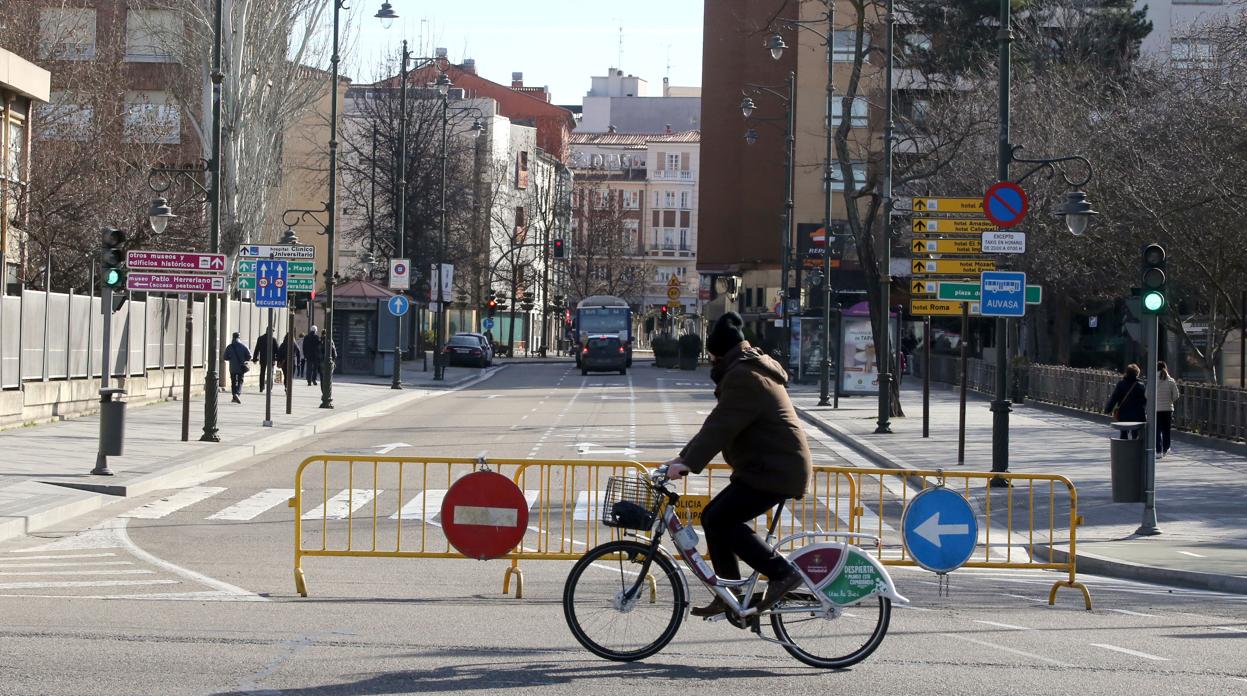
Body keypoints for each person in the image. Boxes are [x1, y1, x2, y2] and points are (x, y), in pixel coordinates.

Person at [664, 312, 813, 617]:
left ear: (717, 352)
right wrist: (683, 459)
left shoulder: (745, 376)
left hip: (775, 470)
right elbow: (717, 424)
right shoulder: (746, 369)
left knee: (721, 520)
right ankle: (729, 593)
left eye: (711, 355)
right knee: (714, 517)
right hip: (766, 467)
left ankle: (782, 573)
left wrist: (688, 463)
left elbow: (721, 426)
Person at [1104, 363, 1147, 438]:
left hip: (1123, 414)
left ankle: (1123, 448)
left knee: (1123, 433)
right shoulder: (1141, 386)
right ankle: (1135, 447)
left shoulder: (1121, 384)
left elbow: (1114, 398)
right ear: (1137, 374)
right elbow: (1144, 400)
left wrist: (1108, 409)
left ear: (1126, 373)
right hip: (1137, 415)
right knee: (1135, 434)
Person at [1156, 361, 1180, 456]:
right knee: (1166, 429)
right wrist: (1170, 401)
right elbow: (1176, 395)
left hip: (1156, 409)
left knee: (1157, 430)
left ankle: (1158, 450)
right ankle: (1166, 448)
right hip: (1168, 409)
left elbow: (1147, 394)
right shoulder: (1171, 380)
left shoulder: (1153, 379)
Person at [222, 332, 251, 403]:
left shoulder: (229, 347)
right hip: (241, 367)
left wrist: (231, 358)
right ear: (239, 337)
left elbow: (225, 357)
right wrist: (244, 359)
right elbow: (249, 356)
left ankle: (234, 395)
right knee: (240, 381)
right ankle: (237, 393)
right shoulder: (243, 346)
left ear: (233, 337)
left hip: (232, 367)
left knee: (233, 381)